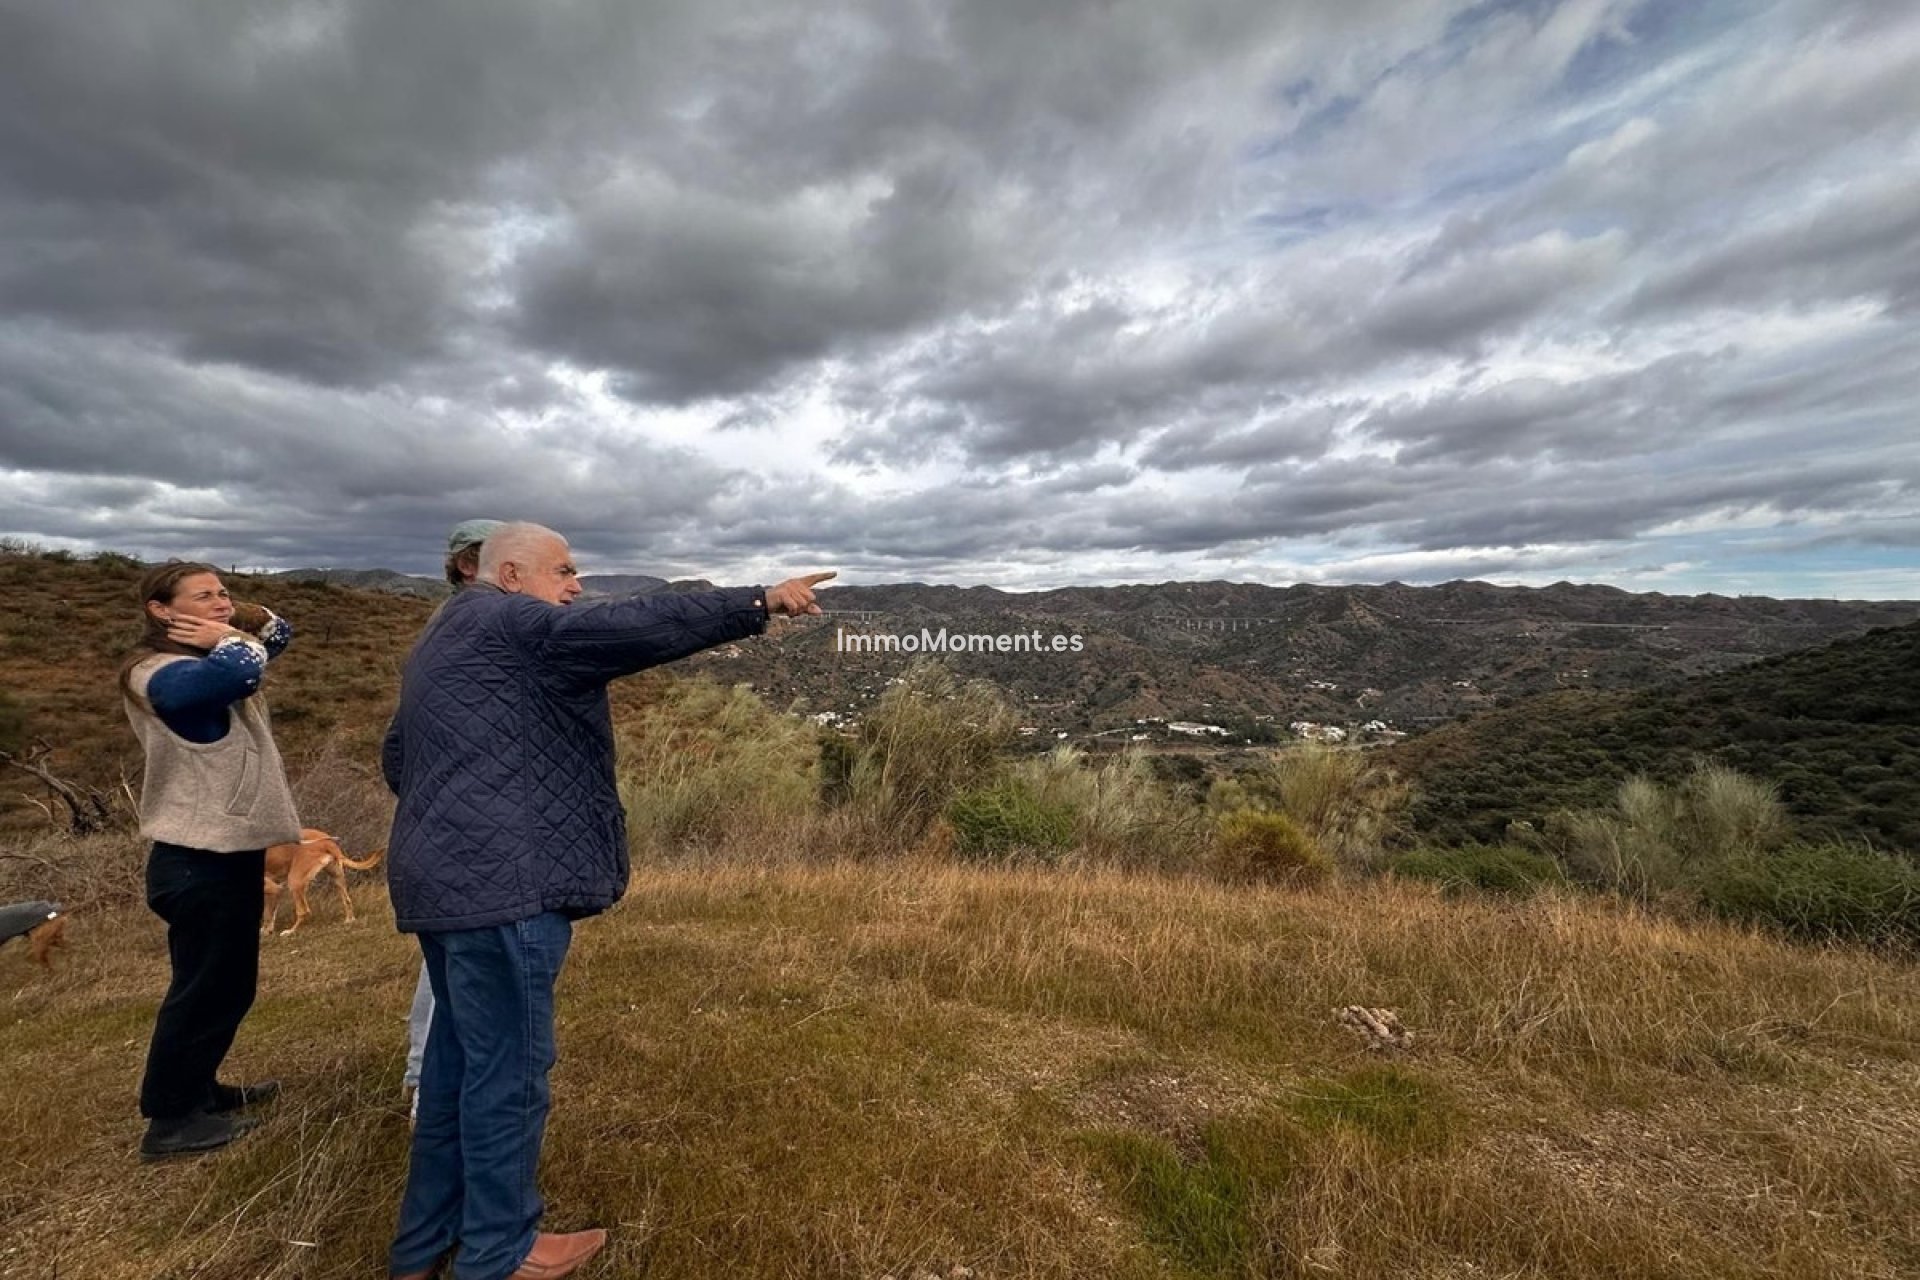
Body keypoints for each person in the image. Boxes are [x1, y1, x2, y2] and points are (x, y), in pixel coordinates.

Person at [383, 522, 831, 1280]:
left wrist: (465, 807)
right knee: (509, 1078)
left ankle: (421, 1252)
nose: (576, 585)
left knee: (456, 1072)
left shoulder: (441, 639)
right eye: (564, 570)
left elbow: (398, 755)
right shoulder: (512, 619)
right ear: (513, 572)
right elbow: (630, 625)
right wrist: (758, 601)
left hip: (443, 884)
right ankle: (500, 1254)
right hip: (507, 889)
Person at [121, 561, 299, 1160]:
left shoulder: (210, 656)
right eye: (204, 595)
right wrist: (230, 638)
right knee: (205, 989)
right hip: (197, 859)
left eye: (225, 591)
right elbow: (244, 669)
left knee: (226, 984)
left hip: (223, 855)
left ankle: (198, 1090)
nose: (222, 601)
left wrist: (234, 621)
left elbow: (277, 634)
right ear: (160, 610)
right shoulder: (158, 673)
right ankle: (171, 1121)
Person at [402, 518, 504, 1125]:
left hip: (454, 818)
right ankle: (429, 1086)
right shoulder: (465, 632)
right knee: (459, 962)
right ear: (470, 566)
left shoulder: (452, 631)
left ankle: (429, 1082)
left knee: (450, 962)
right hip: (464, 828)